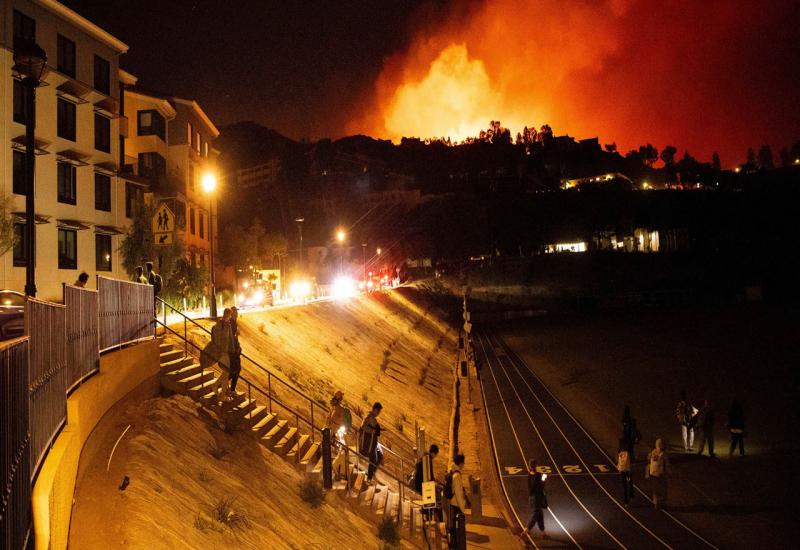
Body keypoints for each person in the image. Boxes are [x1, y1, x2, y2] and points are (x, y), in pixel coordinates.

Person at [202, 308, 234, 404]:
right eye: (230, 315)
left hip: (226, 352)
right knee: (227, 372)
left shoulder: (228, 325)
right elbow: (217, 338)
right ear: (226, 314)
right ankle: (221, 394)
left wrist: (232, 350)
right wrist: (221, 349)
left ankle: (217, 387)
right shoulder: (220, 324)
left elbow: (230, 338)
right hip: (221, 352)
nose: (230, 317)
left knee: (226, 372)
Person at [519, 458, 548, 541]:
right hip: (538, 498)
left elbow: (531, 487)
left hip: (531, 498)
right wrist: (544, 479)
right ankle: (526, 530)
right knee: (536, 515)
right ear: (536, 465)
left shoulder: (529, 475)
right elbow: (541, 487)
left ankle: (543, 533)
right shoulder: (538, 475)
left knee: (540, 514)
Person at [447, 454, 468, 549]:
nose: (464, 465)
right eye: (463, 463)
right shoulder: (457, 476)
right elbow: (459, 494)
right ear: (460, 463)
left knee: (455, 529)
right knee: (458, 530)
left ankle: (455, 546)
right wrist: (463, 509)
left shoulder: (452, 471)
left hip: (453, 504)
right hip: (456, 505)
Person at [359, 402, 383, 484]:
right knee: (374, 459)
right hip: (368, 443)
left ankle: (371, 474)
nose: (379, 414)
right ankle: (369, 478)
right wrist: (373, 431)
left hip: (373, 442)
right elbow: (363, 427)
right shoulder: (368, 417)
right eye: (378, 412)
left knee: (379, 456)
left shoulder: (372, 418)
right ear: (375, 410)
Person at [645, 438, 671, 509]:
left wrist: (647, 473)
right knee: (663, 488)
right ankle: (662, 502)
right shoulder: (664, 454)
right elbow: (667, 465)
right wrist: (669, 472)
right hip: (661, 474)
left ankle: (655, 502)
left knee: (655, 489)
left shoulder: (653, 452)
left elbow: (648, 461)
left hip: (653, 474)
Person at [228, 307, 242, 395]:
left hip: (235, 350)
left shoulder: (234, 322)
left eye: (237, 312)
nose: (237, 313)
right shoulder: (231, 323)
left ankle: (231, 388)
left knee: (236, 370)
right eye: (235, 312)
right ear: (232, 313)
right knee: (235, 370)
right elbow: (231, 337)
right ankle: (220, 385)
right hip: (232, 351)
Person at [617, 438, 634, 506]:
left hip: (622, 472)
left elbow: (619, 461)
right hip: (627, 472)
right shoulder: (627, 452)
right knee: (629, 483)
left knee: (625, 486)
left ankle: (626, 501)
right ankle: (630, 495)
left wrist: (618, 467)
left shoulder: (620, 452)